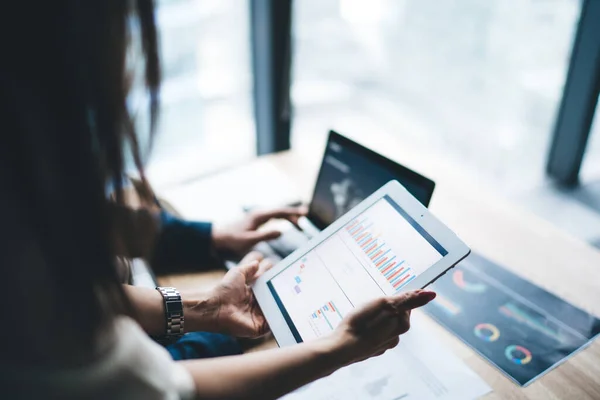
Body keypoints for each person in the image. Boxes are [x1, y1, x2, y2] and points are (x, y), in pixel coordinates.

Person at [0, 1, 437, 399]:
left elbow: (86, 251)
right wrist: (338, 348)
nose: (128, 67)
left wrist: (208, 281)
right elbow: (161, 389)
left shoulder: (30, 181)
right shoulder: (26, 279)